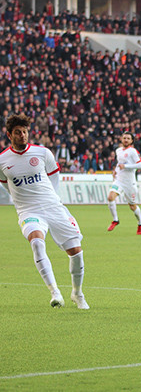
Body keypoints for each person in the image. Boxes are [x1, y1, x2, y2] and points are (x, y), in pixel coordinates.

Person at [0, 114, 89, 309]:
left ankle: (77, 293)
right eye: (18, 132)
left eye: (24, 132)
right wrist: (20, 200)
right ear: (9, 135)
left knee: (76, 252)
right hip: (28, 210)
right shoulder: (2, 160)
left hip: (52, 206)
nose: (22, 135)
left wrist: (54, 199)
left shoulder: (42, 153)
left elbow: (54, 175)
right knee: (37, 242)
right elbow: (6, 184)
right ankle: (55, 292)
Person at [107, 132, 141, 235]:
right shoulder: (118, 150)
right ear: (121, 139)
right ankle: (115, 220)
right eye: (124, 138)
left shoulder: (133, 151)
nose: (126, 140)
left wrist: (126, 167)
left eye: (128, 138)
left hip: (129, 183)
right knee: (110, 197)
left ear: (132, 141)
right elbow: (119, 163)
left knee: (132, 206)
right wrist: (115, 170)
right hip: (119, 180)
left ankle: (140, 223)